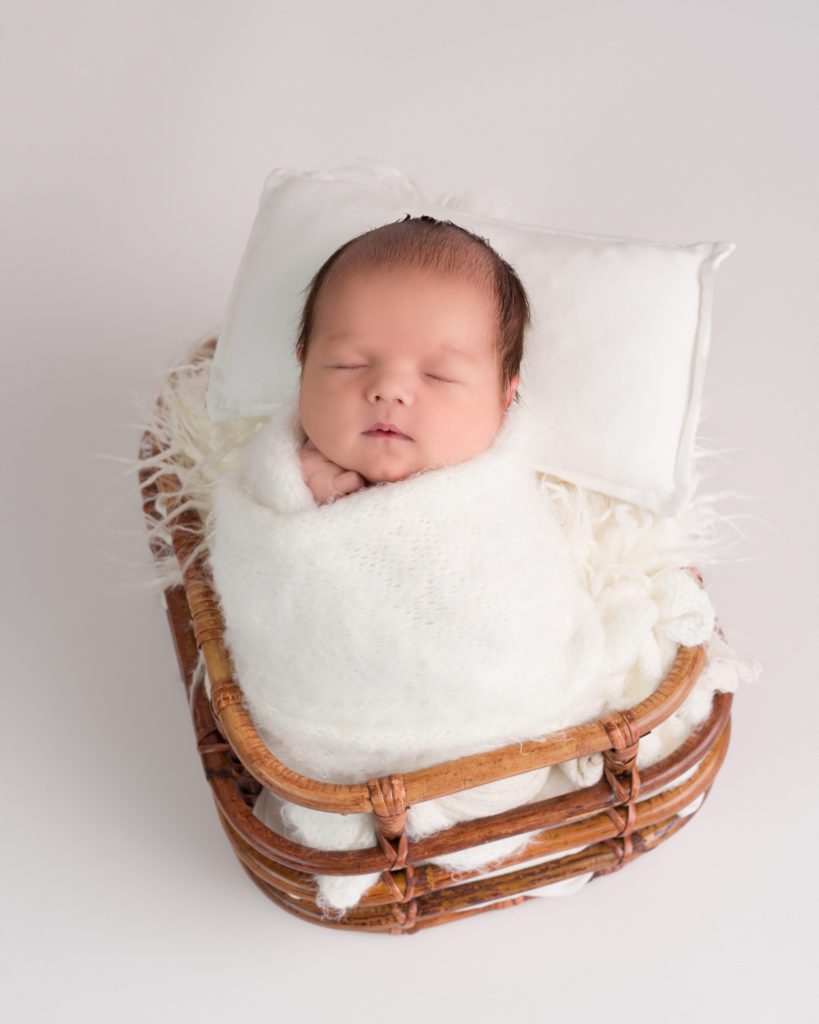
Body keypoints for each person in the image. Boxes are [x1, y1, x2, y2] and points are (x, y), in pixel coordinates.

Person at [292, 214, 530, 505]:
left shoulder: (502, 503)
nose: (390, 389)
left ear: (504, 397)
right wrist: (297, 499)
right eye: (348, 365)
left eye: (439, 374)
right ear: (303, 371)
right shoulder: (278, 474)